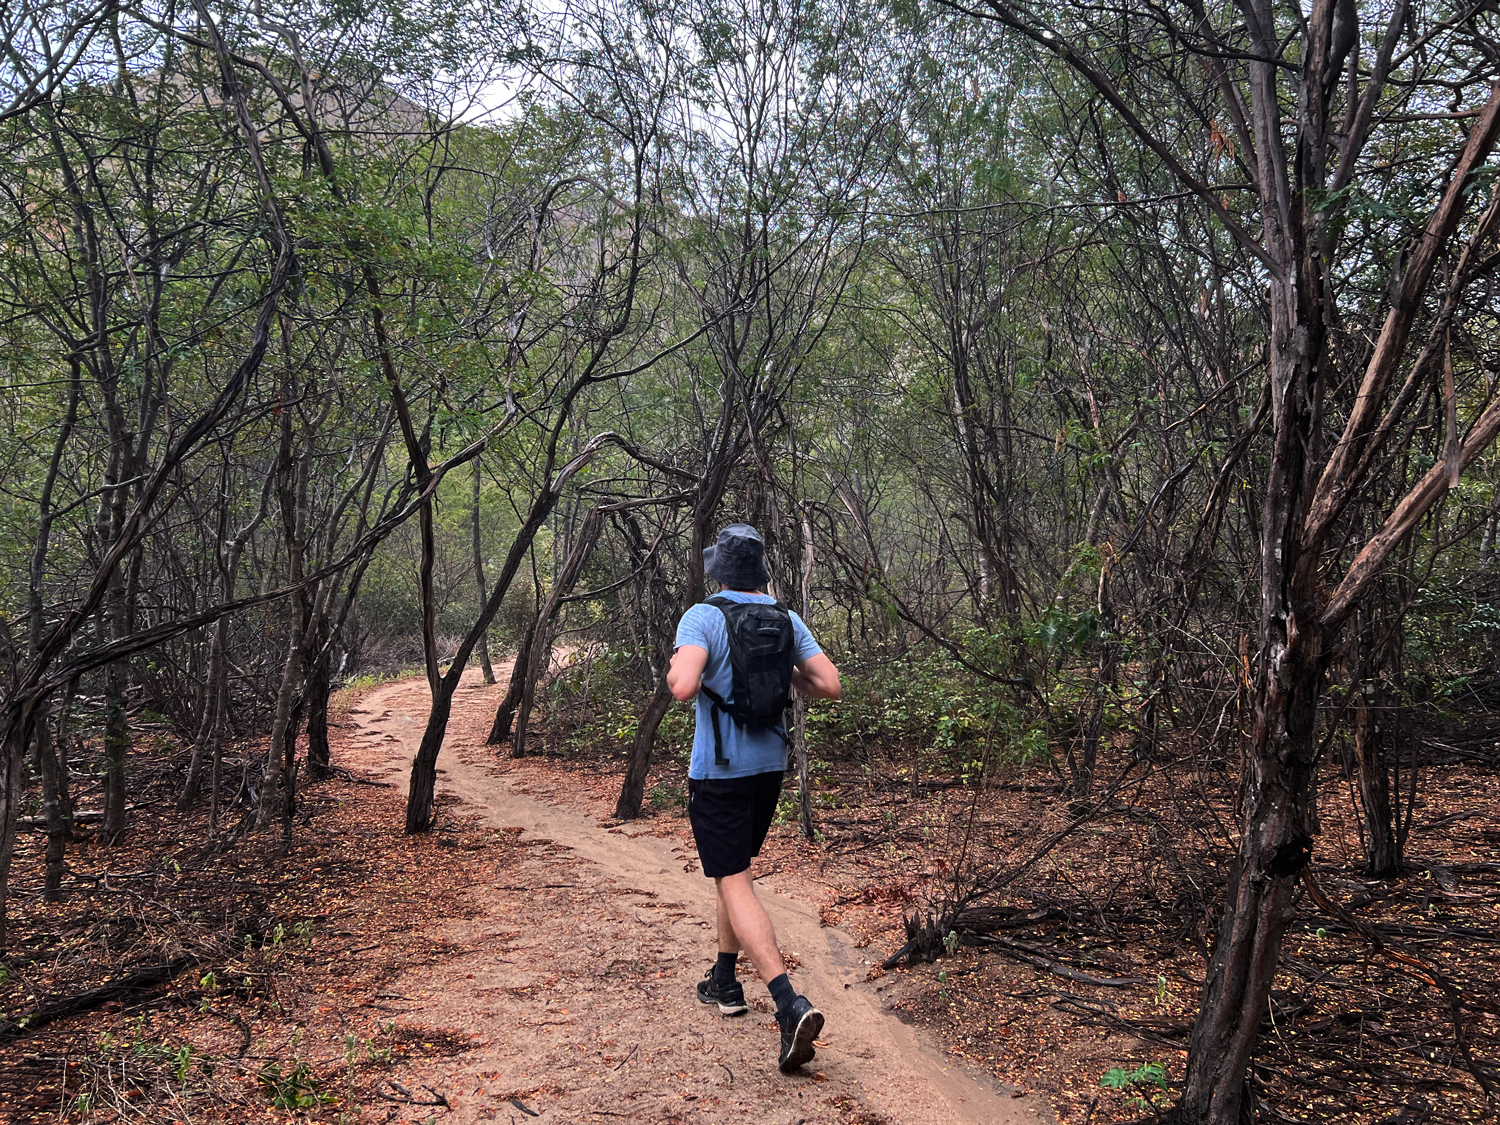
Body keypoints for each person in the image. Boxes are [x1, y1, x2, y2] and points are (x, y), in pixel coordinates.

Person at [666, 523, 841, 1073]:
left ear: (720, 570)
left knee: (734, 880)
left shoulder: (703, 616)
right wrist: (782, 672)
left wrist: (679, 664)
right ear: (760, 572)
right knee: (732, 871)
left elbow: (683, 687)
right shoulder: (784, 617)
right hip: (770, 766)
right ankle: (724, 980)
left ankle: (789, 1003)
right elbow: (829, 683)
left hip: (719, 771)